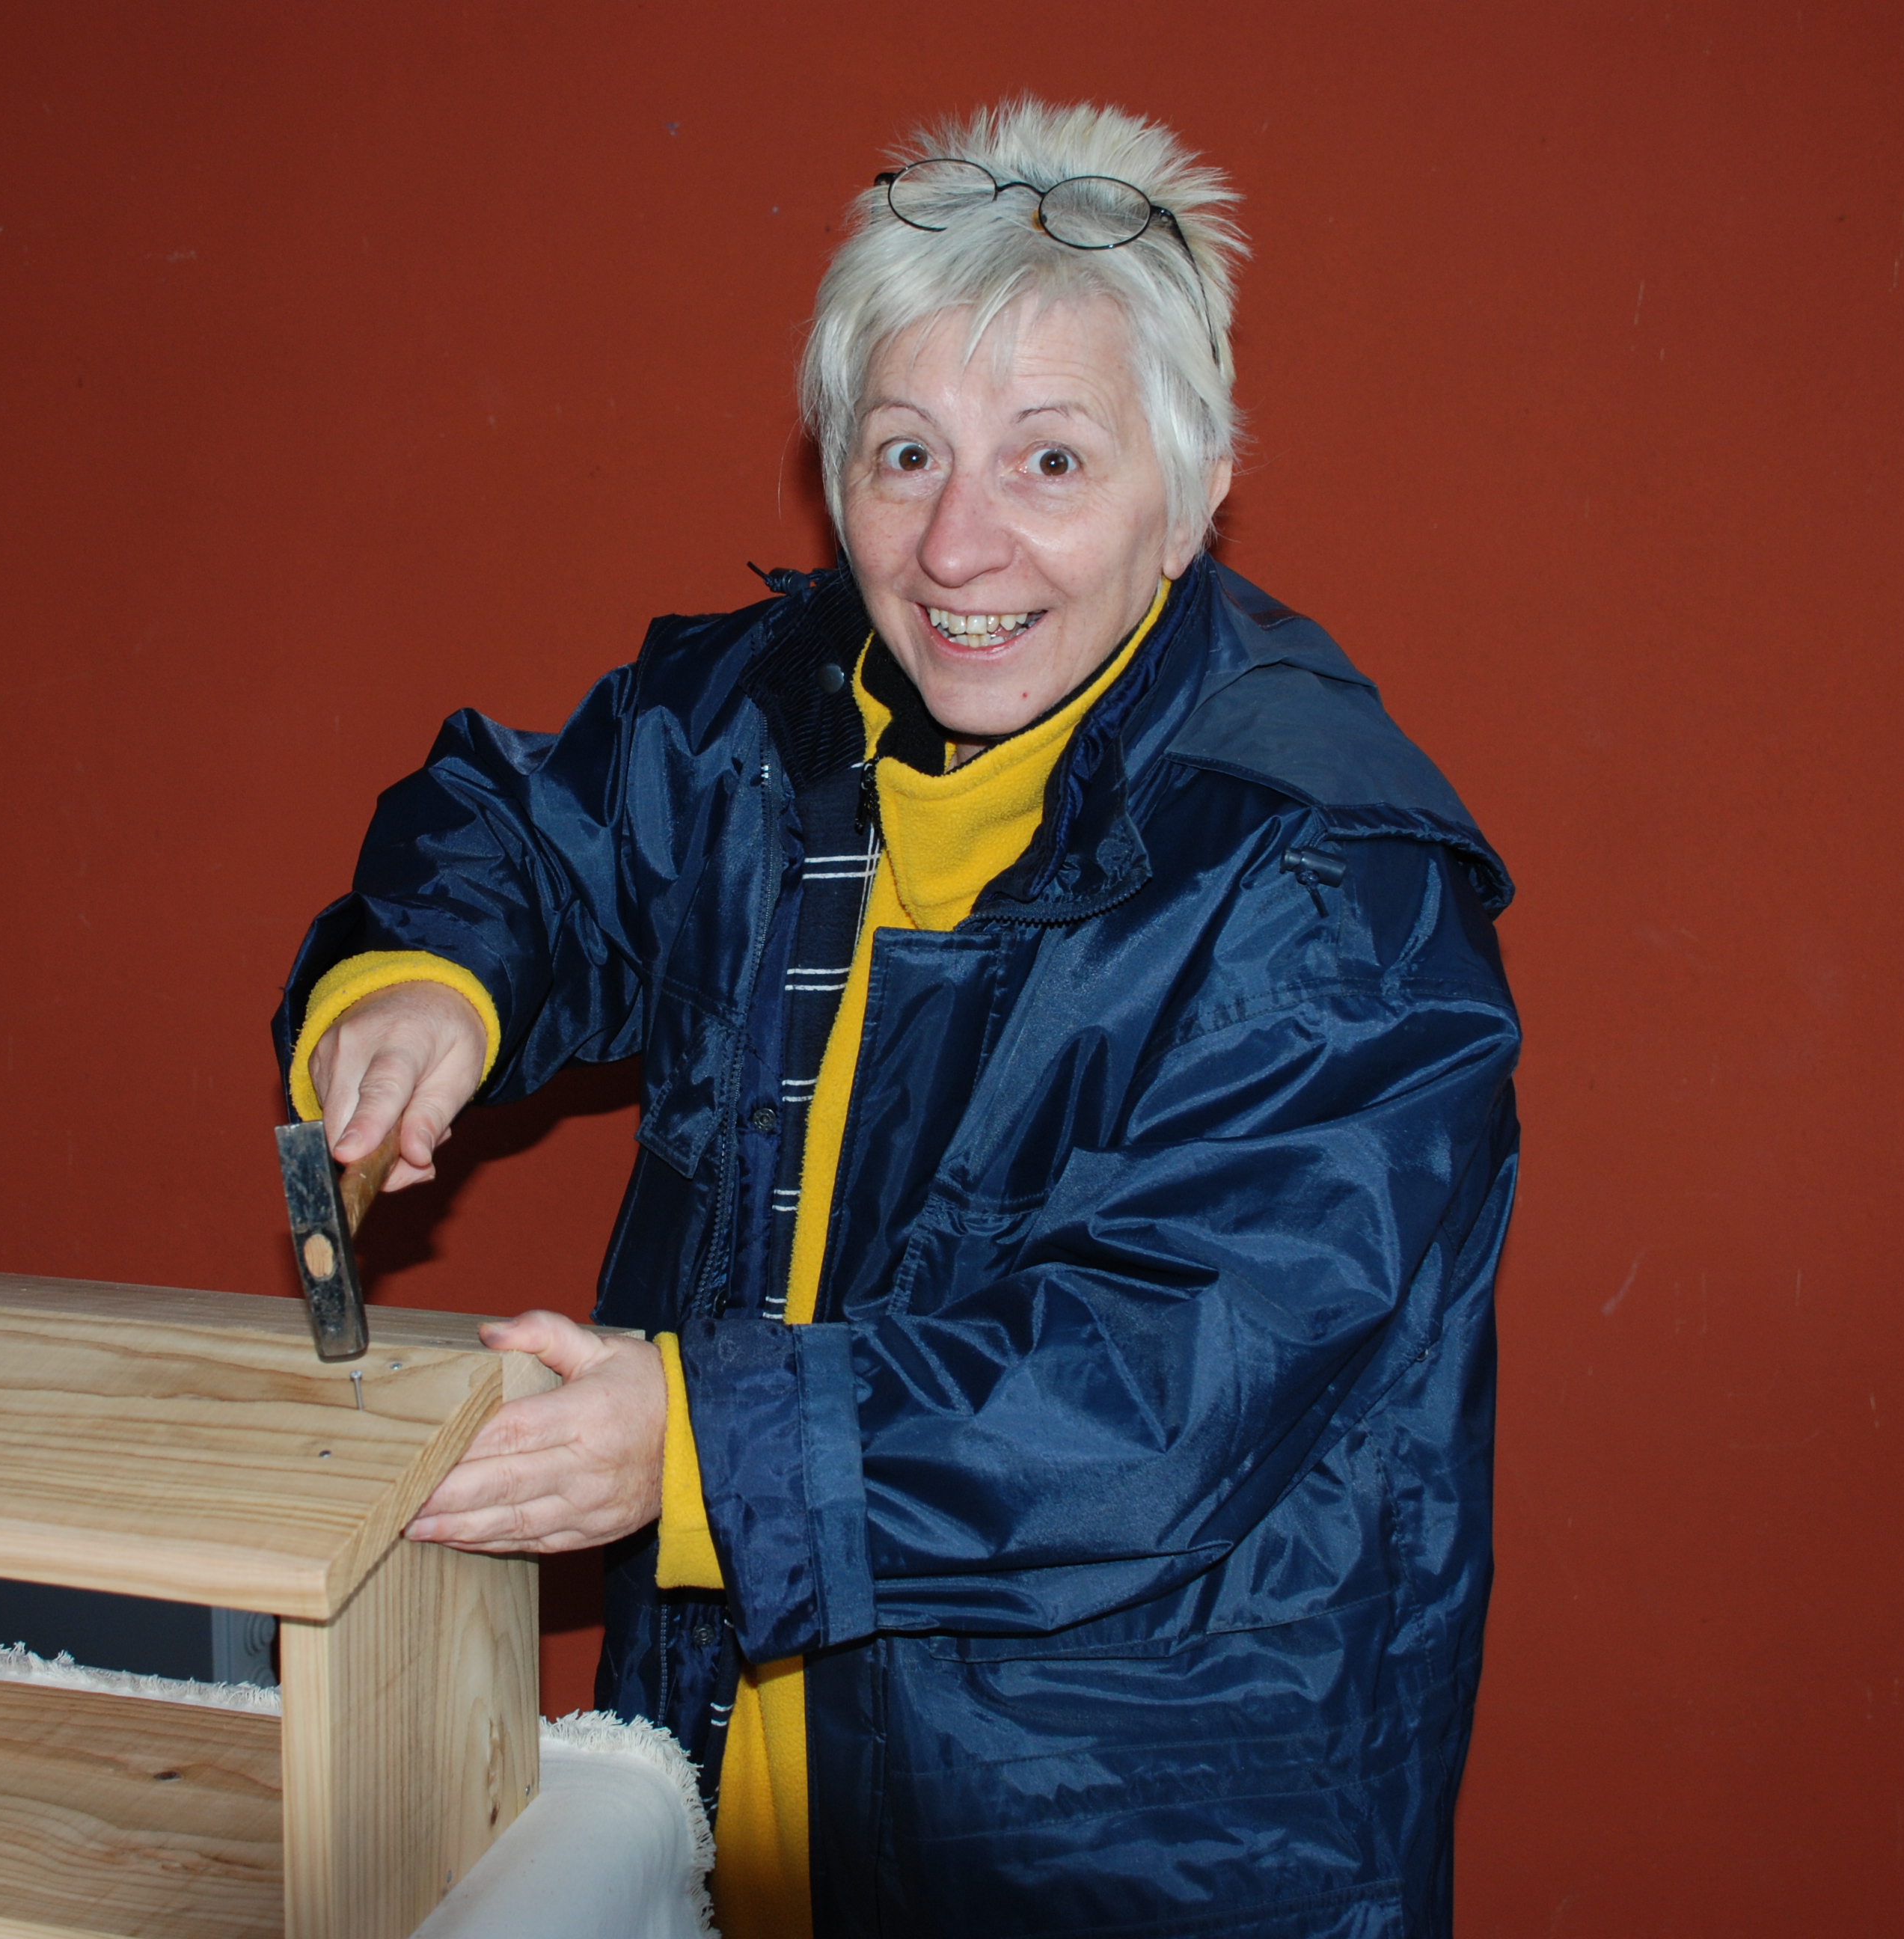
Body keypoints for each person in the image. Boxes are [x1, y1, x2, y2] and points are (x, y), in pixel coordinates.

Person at [278, 99, 1519, 1938]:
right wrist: (422, 981)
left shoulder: (1326, 880)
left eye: (1049, 461)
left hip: (1120, 1833)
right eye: (905, 453)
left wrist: (694, 1452)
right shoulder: (771, 706)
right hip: (746, 1739)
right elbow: (531, 837)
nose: (954, 548)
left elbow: (1157, 1380)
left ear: (1189, 498)